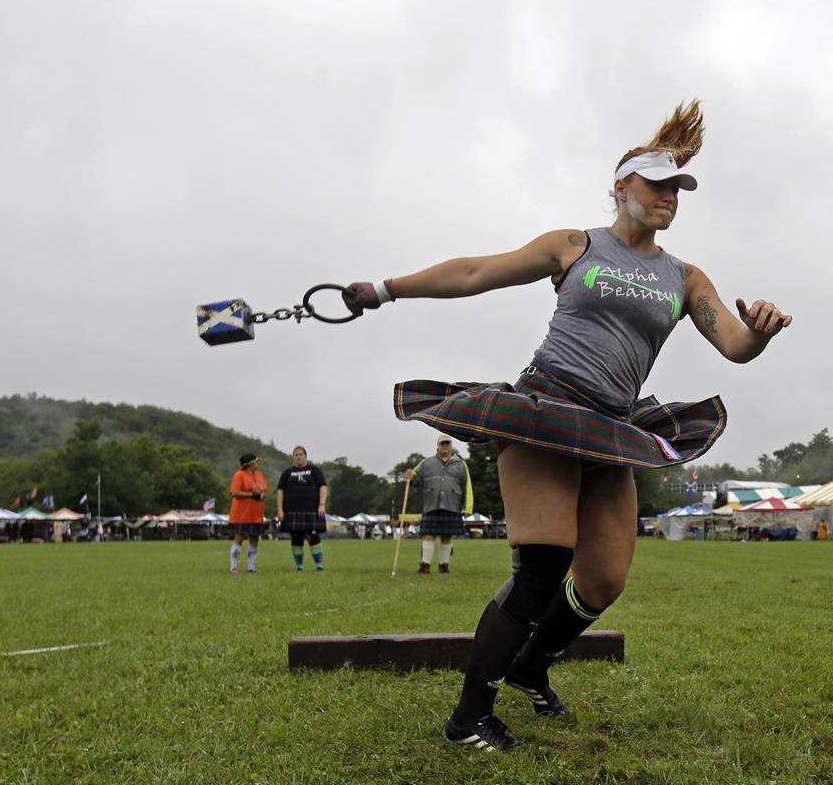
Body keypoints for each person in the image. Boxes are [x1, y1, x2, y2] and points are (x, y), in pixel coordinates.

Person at [342, 100, 791, 752]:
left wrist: (761, 330)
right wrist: (383, 288)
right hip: (548, 408)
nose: (669, 197)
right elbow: (475, 272)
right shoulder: (575, 246)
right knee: (543, 566)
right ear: (621, 186)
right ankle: (468, 719)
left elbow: (734, 343)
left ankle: (530, 662)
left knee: (604, 578)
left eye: (677, 189)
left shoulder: (685, 276)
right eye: (657, 185)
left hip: (612, 427)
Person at [408, 434, 473, 574]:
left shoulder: (461, 464)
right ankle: (425, 565)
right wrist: (410, 476)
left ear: (451, 446)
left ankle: (444, 566)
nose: (445, 446)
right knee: (428, 535)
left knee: (446, 537)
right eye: (442, 444)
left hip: (452, 505)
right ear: (437, 446)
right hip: (431, 505)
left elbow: (467, 486)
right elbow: (415, 479)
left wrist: (467, 507)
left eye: (447, 444)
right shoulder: (426, 463)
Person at [276, 446, 328, 572]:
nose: (298, 456)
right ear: (293, 457)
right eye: (296, 455)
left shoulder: (314, 470)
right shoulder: (287, 473)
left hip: (311, 510)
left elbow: (323, 487)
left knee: (314, 537)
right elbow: (280, 491)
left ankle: (319, 564)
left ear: (306, 456)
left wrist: (322, 504)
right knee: (296, 538)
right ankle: (299, 566)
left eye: (300, 454)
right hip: (291, 511)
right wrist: (280, 509)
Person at [228, 453, 269, 573]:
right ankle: (234, 567)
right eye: (256, 461)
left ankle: (251, 566)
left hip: (256, 515)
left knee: (254, 539)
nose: (258, 463)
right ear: (249, 464)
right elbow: (234, 492)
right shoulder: (239, 475)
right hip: (242, 514)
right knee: (239, 539)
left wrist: (261, 495)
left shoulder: (259, 475)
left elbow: (266, 491)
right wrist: (251, 495)